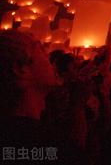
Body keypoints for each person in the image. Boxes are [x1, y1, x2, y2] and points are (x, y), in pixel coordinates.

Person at [0, 31, 85, 164]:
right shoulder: (42, 142)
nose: (49, 58)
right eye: (40, 49)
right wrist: (78, 107)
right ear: (21, 69)